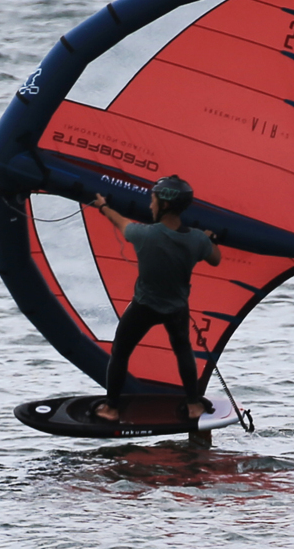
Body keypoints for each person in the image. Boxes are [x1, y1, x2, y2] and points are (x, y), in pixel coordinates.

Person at [90, 175, 222, 422]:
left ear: (164, 205)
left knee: (120, 352)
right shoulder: (197, 239)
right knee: (183, 350)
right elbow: (215, 259)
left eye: (153, 200)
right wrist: (209, 239)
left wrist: (103, 207)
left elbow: (122, 223)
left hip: (144, 307)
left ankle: (111, 409)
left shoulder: (146, 235)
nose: (150, 206)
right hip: (177, 308)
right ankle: (193, 405)